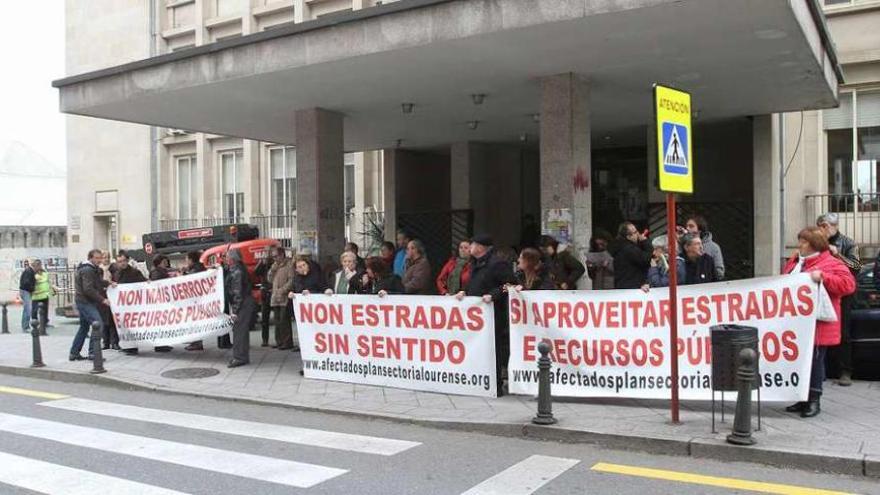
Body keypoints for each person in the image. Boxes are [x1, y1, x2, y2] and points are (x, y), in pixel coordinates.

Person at [782, 227, 856, 418]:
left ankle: (814, 399)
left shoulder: (830, 263)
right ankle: (802, 398)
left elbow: (848, 285)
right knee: (802, 361)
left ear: (815, 244)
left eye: (804, 242)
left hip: (818, 324)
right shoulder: (799, 261)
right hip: (799, 322)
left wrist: (824, 278)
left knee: (814, 362)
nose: (800, 245)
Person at [456, 235, 516, 394]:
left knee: (493, 348)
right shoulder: (475, 264)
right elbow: (476, 284)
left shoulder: (497, 264)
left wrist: (494, 295)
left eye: (473, 244)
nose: (470, 247)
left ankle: (496, 384)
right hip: (478, 315)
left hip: (494, 313)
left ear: (482, 247)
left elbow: (510, 284)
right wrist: (465, 292)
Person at [817, 212, 861, 387]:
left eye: (821, 227)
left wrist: (837, 255)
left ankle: (845, 371)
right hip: (824, 290)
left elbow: (856, 267)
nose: (820, 231)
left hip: (844, 293)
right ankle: (823, 369)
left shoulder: (848, 243)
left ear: (828, 226)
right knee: (822, 329)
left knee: (843, 332)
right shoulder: (818, 244)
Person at [70, 249, 110, 361]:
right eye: (97, 258)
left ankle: (74, 352)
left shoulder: (91, 268)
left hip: (83, 300)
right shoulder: (88, 270)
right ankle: (93, 353)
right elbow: (88, 289)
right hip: (85, 301)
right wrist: (102, 300)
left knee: (84, 327)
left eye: (100, 258)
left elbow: (97, 282)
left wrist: (109, 283)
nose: (99, 260)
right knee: (98, 324)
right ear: (90, 258)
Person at [224, 249, 254, 368]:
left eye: (226, 257)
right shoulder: (237, 269)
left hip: (242, 303)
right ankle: (241, 356)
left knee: (239, 330)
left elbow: (238, 293)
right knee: (240, 330)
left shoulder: (237, 272)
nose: (225, 259)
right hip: (244, 302)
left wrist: (235, 310)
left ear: (232, 259)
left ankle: (240, 357)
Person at [114, 251, 147, 355]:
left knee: (132, 326)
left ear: (127, 261)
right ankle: (126, 345)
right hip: (122, 305)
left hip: (133, 305)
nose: (122, 263)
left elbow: (143, 283)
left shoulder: (135, 272)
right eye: (119, 261)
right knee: (124, 326)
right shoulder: (117, 273)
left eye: (124, 261)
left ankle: (132, 347)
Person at [609, 222, 652, 289]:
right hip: (632, 287)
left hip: (625, 285)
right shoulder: (628, 249)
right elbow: (645, 259)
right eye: (635, 232)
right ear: (628, 237)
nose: (638, 234)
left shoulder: (622, 246)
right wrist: (645, 243)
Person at [268, 247, 295, 350]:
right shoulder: (274, 266)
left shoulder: (289, 265)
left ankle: (287, 342)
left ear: (282, 255)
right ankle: (279, 341)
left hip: (284, 297)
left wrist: (283, 290)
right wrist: (272, 270)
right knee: (277, 320)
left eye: (276, 256)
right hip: (275, 297)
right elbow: (269, 279)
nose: (275, 259)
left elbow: (291, 281)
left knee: (284, 320)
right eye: (273, 257)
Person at [685, 215, 724, 280]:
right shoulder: (683, 244)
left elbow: (720, 273)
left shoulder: (713, 247)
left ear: (699, 229)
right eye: (687, 226)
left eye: (691, 226)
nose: (687, 229)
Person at [182, 251, 208, 351]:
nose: (186, 261)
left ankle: (196, 343)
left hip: (195, 301)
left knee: (194, 321)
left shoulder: (195, 270)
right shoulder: (199, 268)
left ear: (191, 260)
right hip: (197, 300)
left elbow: (189, 282)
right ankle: (196, 341)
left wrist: (183, 275)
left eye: (187, 259)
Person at [148, 255, 174, 353]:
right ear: (160, 262)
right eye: (164, 261)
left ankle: (163, 344)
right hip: (159, 302)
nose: (166, 263)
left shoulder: (161, 271)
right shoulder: (157, 272)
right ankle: (159, 345)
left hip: (162, 301)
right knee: (160, 323)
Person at [253, 245, 275, 347]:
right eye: (266, 252)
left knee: (278, 317)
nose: (268, 254)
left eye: (269, 252)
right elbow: (256, 272)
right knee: (264, 318)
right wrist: (261, 262)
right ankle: (264, 339)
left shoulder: (274, 262)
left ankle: (278, 339)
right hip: (265, 291)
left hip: (274, 290)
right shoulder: (263, 263)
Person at [30, 260, 55, 335]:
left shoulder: (45, 273)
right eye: (37, 265)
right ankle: (34, 323)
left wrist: (52, 291)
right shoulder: (32, 274)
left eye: (40, 265)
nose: (39, 266)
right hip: (36, 294)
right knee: (35, 310)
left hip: (45, 294)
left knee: (45, 310)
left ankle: (45, 322)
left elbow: (48, 282)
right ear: (34, 266)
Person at [18, 259, 35, 333]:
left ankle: (25, 326)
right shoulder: (29, 271)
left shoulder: (30, 271)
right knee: (27, 309)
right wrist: (32, 289)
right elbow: (26, 283)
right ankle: (25, 326)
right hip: (25, 291)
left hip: (25, 291)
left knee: (27, 309)